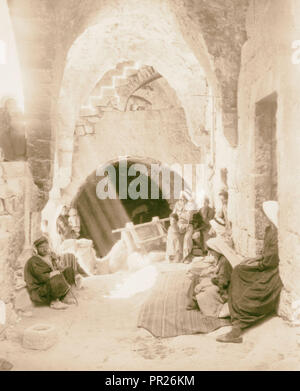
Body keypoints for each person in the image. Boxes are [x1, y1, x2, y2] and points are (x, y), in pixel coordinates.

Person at [216, 200, 283, 343]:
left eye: (266, 214)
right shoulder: (269, 229)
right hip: (264, 265)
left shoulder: (276, 233)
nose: (264, 216)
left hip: (270, 272)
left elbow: (270, 260)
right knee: (239, 269)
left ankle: (237, 327)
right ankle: (234, 311)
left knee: (243, 277)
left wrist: (257, 262)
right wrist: (255, 259)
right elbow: (265, 254)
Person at [24, 236, 78, 309]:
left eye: (46, 246)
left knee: (69, 270)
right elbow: (42, 278)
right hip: (40, 289)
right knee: (56, 277)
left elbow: (59, 268)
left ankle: (66, 297)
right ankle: (54, 301)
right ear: (36, 249)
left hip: (50, 284)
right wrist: (56, 272)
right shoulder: (34, 261)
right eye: (41, 247)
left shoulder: (49, 256)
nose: (45, 249)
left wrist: (56, 261)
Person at [186, 237, 234, 315]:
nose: (210, 253)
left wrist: (208, 282)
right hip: (218, 281)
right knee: (197, 278)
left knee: (204, 290)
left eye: (211, 251)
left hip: (225, 289)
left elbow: (223, 282)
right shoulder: (221, 259)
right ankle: (192, 300)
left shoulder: (224, 261)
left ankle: (195, 301)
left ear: (217, 250)